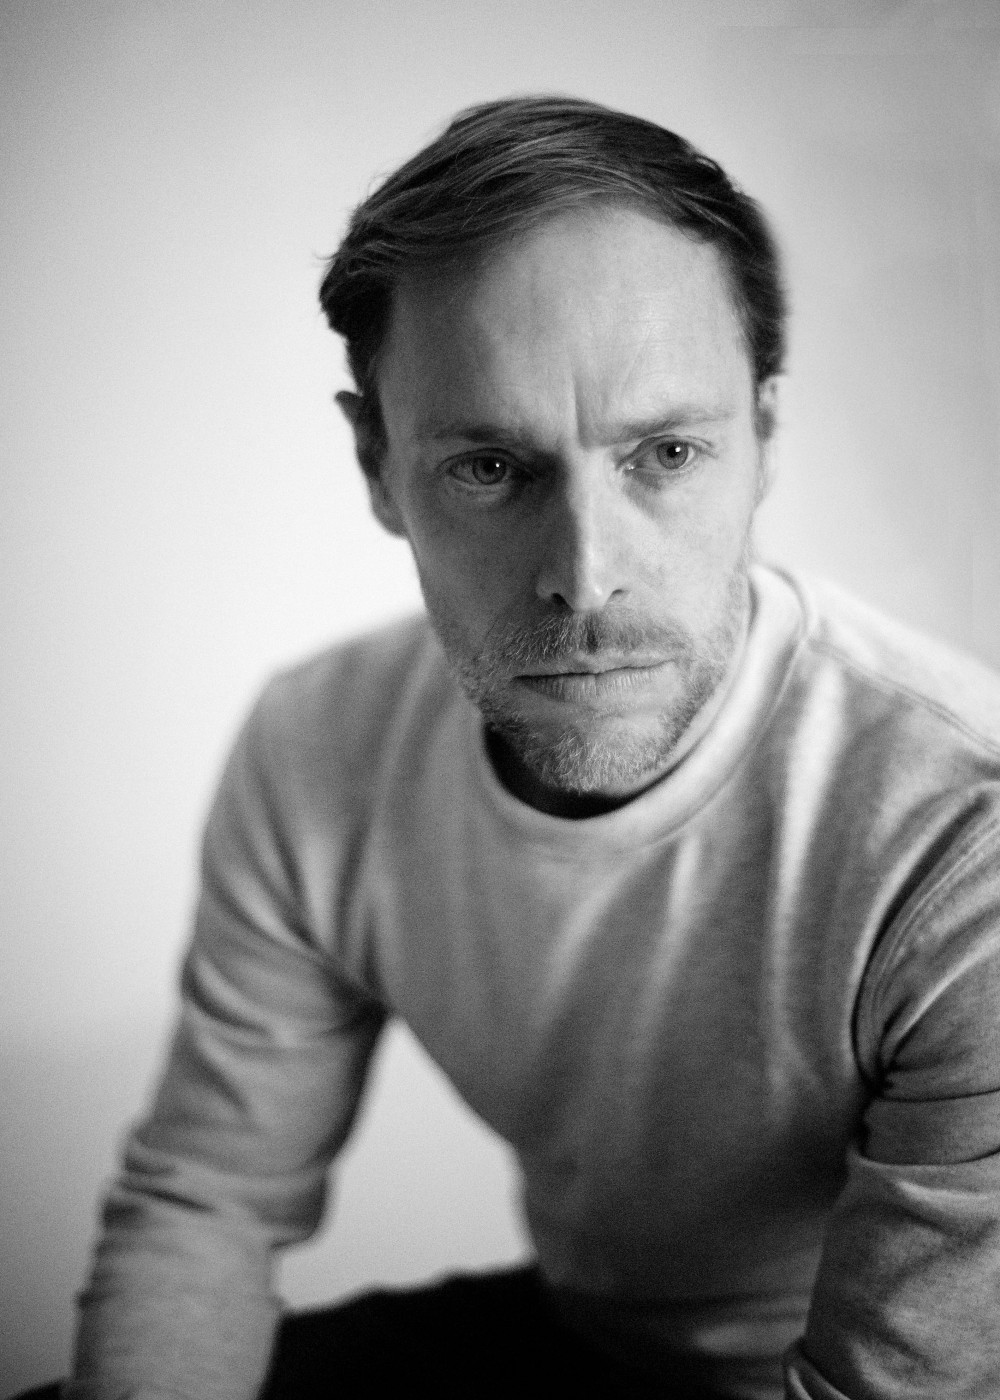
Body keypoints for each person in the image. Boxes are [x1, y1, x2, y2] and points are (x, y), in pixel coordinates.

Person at [57, 95, 1000, 1399]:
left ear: (765, 440)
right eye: (492, 468)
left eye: (666, 453)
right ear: (377, 465)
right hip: (588, 1341)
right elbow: (206, 1201)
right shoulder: (321, 747)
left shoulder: (962, 841)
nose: (586, 575)